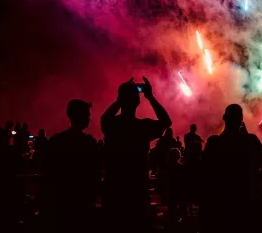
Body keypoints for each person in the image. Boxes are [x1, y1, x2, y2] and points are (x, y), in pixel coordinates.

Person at [101, 76, 172, 227]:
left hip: (114, 190)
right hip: (137, 191)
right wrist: (150, 96)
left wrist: (121, 97)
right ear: (138, 102)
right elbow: (166, 121)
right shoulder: (143, 127)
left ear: (120, 100)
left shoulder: (112, 125)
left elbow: (105, 118)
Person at [201, 104, 262, 233]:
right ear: (241, 119)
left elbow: (206, 169)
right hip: (247, 201)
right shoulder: (251, 140)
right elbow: (260, 161)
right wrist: (245, 137)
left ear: (224, 117)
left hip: (221, 202)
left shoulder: (214, 142)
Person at [42, 99, 100, 230]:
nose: (89, 119)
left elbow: (49, 171)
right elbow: (94, 173)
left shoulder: (56, 141)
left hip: (60, 201)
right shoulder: (89, 143)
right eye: (87, 116)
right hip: (82, 201)